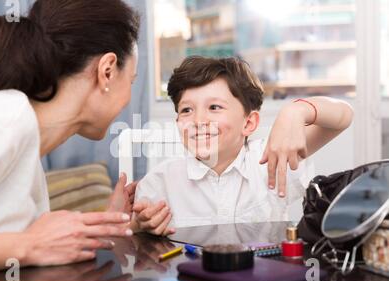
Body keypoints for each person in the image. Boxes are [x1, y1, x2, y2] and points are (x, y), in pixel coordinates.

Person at [0, 0, 141, 279]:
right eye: (131, 80)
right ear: (106, 71)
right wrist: (29, 245)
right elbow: (30, 246)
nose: (128, 97)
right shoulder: (0, 118)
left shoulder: (25, 148)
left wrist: (109, 222)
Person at [132, 56, 354, 232]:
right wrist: (138, 227)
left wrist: (297, 110)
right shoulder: (161, 182)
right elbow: (133, 237)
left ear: (249, 123)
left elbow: (343, 118)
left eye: (214, 108)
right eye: (187, 110)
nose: (198, 121)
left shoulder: (271, 159)